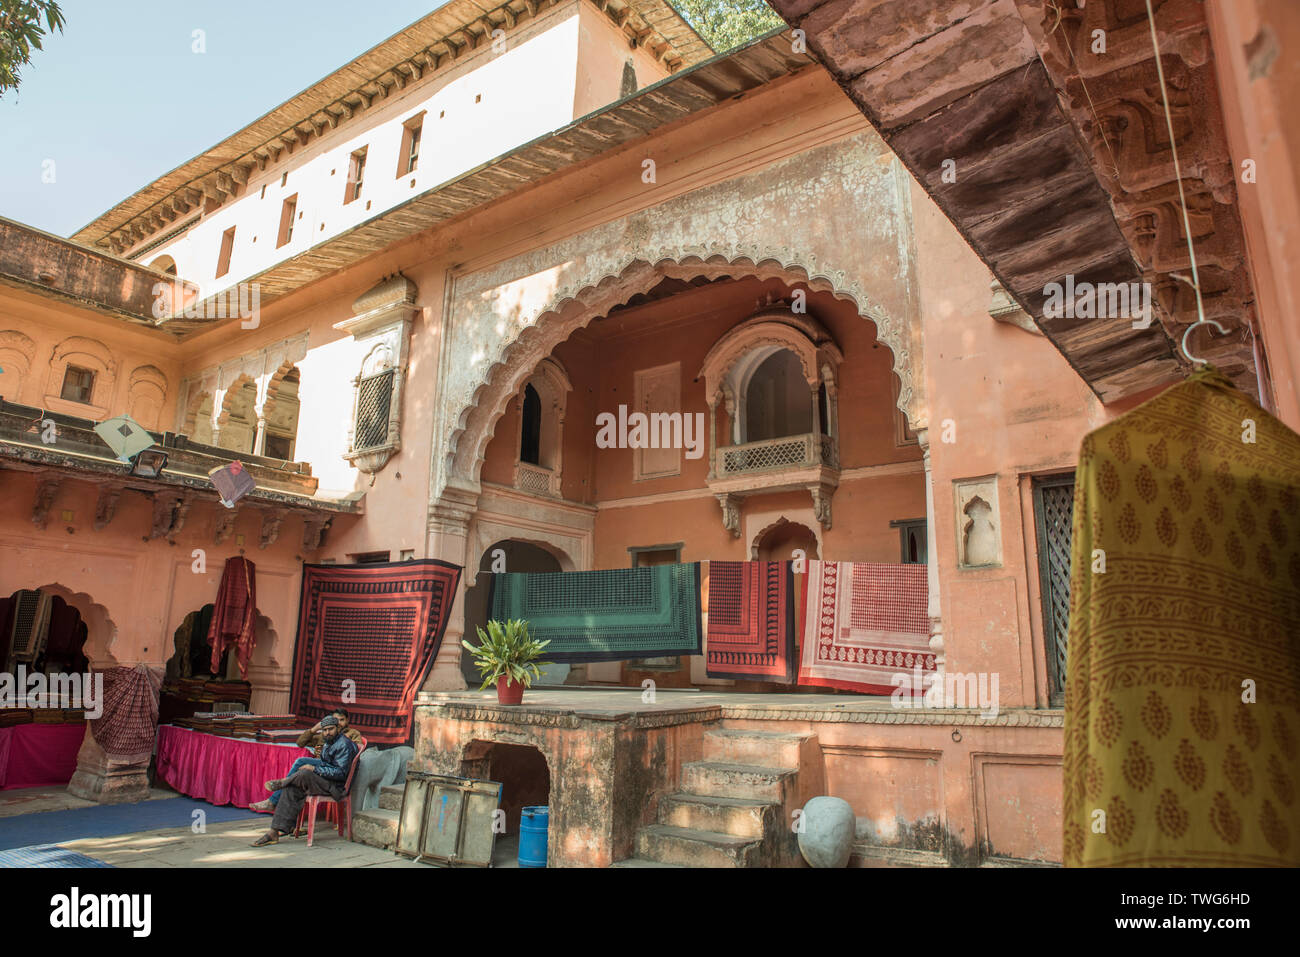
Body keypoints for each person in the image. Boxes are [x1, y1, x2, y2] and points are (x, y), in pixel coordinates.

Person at [252, 715, 358, 846]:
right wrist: (316, 769)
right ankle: (273, 832)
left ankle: (282, 783)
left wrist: (315, 769)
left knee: (304, 774)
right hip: (325, 780)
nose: (327, 732)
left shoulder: (344, 745)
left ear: (338, 728)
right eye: (324, 730)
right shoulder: (329, 742)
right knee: (292, 786)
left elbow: (341, 773)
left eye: (330, 729)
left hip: (336, 787)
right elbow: (305, 746)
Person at [249, 707, 361, 812]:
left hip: (334, 771)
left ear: (347, 721)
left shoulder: (350, 736)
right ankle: (278, 812)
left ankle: (279, 790)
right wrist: (314, 729)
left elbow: (352, 754)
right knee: (300, 763)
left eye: (342, 720)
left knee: (299, 778)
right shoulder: (326, 734)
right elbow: (300, 743)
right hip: (324, 765)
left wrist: (330, 752)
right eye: (335, 720)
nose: (339, 722)